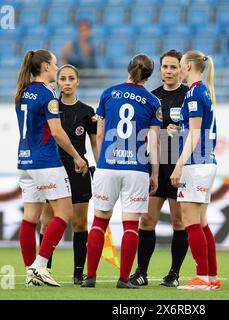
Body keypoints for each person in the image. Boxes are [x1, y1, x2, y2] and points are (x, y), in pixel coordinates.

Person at [81, 54, 161, 289]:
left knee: (99, 221)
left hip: (108, 165)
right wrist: (154, 174)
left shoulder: (108, 93)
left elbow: (100, 133)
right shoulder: (153, 101)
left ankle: (90, 277)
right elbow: (154, 143)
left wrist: (102, 162)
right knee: (130, 224)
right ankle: (124, 279)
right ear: (148, 75)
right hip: (136, 169)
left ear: (129, 69)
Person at [15, 50, 88, 287]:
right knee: (64, 213)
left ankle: (30, 272)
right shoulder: (48, 93)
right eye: (55, 65)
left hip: (24, 161)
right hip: (46, 161)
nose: (56, 69)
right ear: (46, 66)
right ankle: (40, 265)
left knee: (30, 217)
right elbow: (56, 132)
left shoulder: (23, 92)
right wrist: (77, 156)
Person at [129, 49, 189, 288]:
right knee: (147, 221)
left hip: (178, 166)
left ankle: (174, 274)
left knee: (178, 222)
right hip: (155, 165)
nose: (169, 71)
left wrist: (180, 132)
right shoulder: (151, 97)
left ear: (181, 69)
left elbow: (199, 130)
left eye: (174, 66)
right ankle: (141, 272)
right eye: (165, 66)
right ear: (160, 70)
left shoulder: (189, 95)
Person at [39, 64, 98, 285]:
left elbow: (94, 144)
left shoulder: (87, 111)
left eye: (71, 78)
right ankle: (44, 270)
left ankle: (77, 273)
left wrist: (99, 167)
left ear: (77, 81)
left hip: (79, 168)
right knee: (47, 222)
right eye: (62, 78)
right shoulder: (50, 107)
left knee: (80, 224)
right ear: (58, 81)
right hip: (53, 168)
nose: (66, 82)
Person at [169, 50, 221, 290]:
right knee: (201, 222)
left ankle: (202, 276)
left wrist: (179, 164)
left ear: (188, 66)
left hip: (195, 164)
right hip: (205, 162)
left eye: (179, 65)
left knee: (190, 221)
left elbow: (196, 133)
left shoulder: (193, 93)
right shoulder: (203, 91)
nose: (178, 69)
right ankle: (211, 277)